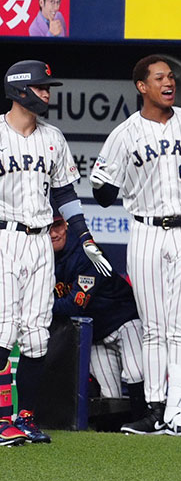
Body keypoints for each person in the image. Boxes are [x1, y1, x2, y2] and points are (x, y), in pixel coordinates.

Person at [90, 54, 181, 437]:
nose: (169, 82)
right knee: (153, 328)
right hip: (146, 230)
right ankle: (154, 410)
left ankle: (178, 412)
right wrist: (108, 179)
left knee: (180, 328)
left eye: (172, 77)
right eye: (160, 77)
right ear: (141, 86)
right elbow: (102, 194)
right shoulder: (125, 134)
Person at [0, 59, 111, 444]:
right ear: (18, 89)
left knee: (35, 335)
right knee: (2, 329)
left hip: (41, 241)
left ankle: (25, 418)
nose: (47, 93)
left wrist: (83, 236)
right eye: (41, 86)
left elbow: (65, 193)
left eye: (48, 87)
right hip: (5, 237)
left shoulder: (53, 138)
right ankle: (0, 421)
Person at [49, 212, 146, 420]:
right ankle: (114, 441)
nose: (53, 233)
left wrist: (39, 306)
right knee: (109, 394)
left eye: (57, 225)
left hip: (123, 320)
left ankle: (146, 428)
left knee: (136, 373)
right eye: (48, 227)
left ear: (66, 225)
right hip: (95, 335)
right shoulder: (42, 258)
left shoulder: (87, 253)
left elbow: (76, 306)